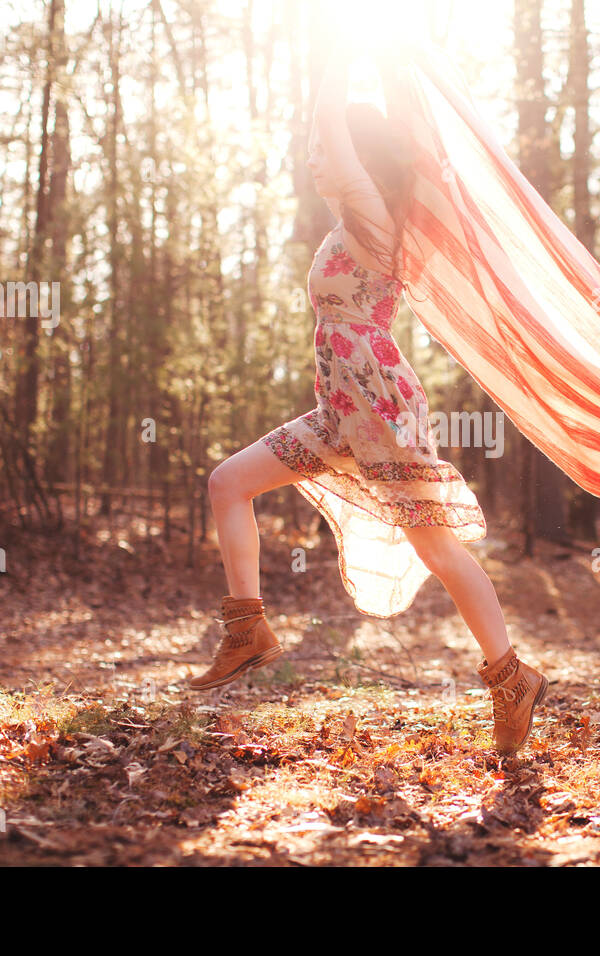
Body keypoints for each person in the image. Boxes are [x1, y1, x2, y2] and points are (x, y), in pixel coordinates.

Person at [187, 47, 548, 758]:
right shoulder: (351, 223)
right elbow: (327, 144)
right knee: (228, 483)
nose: (320, 158)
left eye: (336, 149)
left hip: (382, 409)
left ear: (360, 157)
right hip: (340, 412)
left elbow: (328, 135)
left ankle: (511, 679)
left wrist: (333, 49)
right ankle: (247, 628)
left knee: (434, 544)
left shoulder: (377, 221)